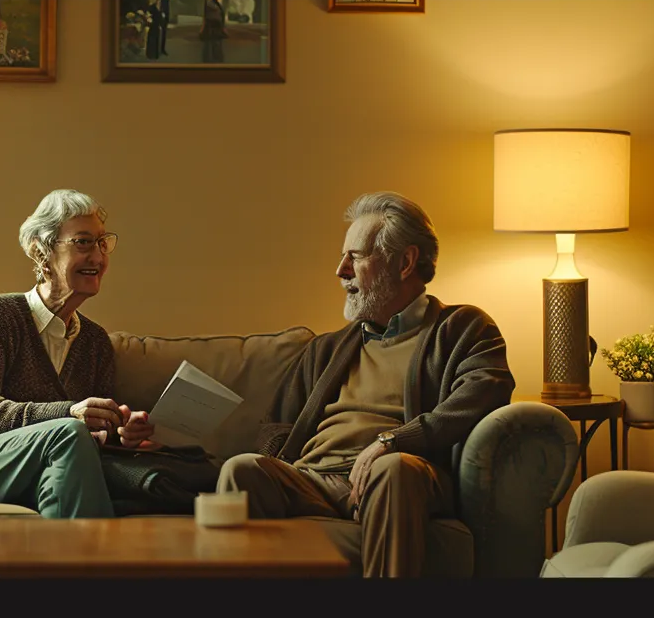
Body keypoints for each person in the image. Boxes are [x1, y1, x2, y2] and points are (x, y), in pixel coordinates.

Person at [217, 191, 517, 578]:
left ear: (405, 262)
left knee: (394, 470)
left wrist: (393, 441)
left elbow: (484, 393)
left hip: (398, 476)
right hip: (314, 480)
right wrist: (279, 460)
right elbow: (276, 424)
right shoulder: (326, 349)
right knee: (243, 470)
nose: (341, 270)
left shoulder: (461, 328)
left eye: (355, 257)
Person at [0, 189, 157, 518]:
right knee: (67, 433)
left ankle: (80, 565)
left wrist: (121, 433)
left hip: (38, 470)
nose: (98, 257)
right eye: (83, 242)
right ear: (42, 253)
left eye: (102, 243)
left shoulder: (96, 342)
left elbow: (92, 435)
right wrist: (70, 413)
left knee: (76, 455)